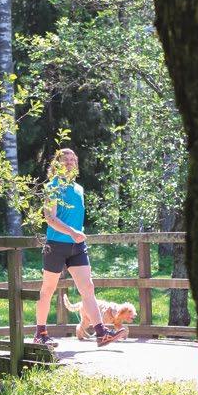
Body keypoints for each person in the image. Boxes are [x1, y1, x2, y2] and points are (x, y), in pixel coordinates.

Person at [33, 147, 128, 349]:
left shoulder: (79, 189)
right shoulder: (52, 187)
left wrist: (77, 235)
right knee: (48, 289)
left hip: (77, 246)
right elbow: (50, 218)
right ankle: (40, 333)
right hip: (56, 245)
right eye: (65, 159)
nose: (69, 162)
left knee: (88, 288)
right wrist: (71, 232)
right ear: (56, 164)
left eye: (72, 159)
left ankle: (101, 333)